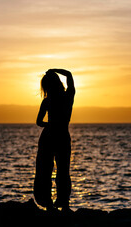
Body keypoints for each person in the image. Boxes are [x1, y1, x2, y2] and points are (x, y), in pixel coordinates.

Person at [33, 68, 75, 212]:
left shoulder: (47, 100)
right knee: (63, 171)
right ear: (58, 82)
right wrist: (54, 70)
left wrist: (49, 124)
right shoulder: (68, 96)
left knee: (45, 170)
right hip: (62, 135)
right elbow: (69, 74)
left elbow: (39, 122)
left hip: (48, 136)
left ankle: (49, 204)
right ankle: (65, 204)